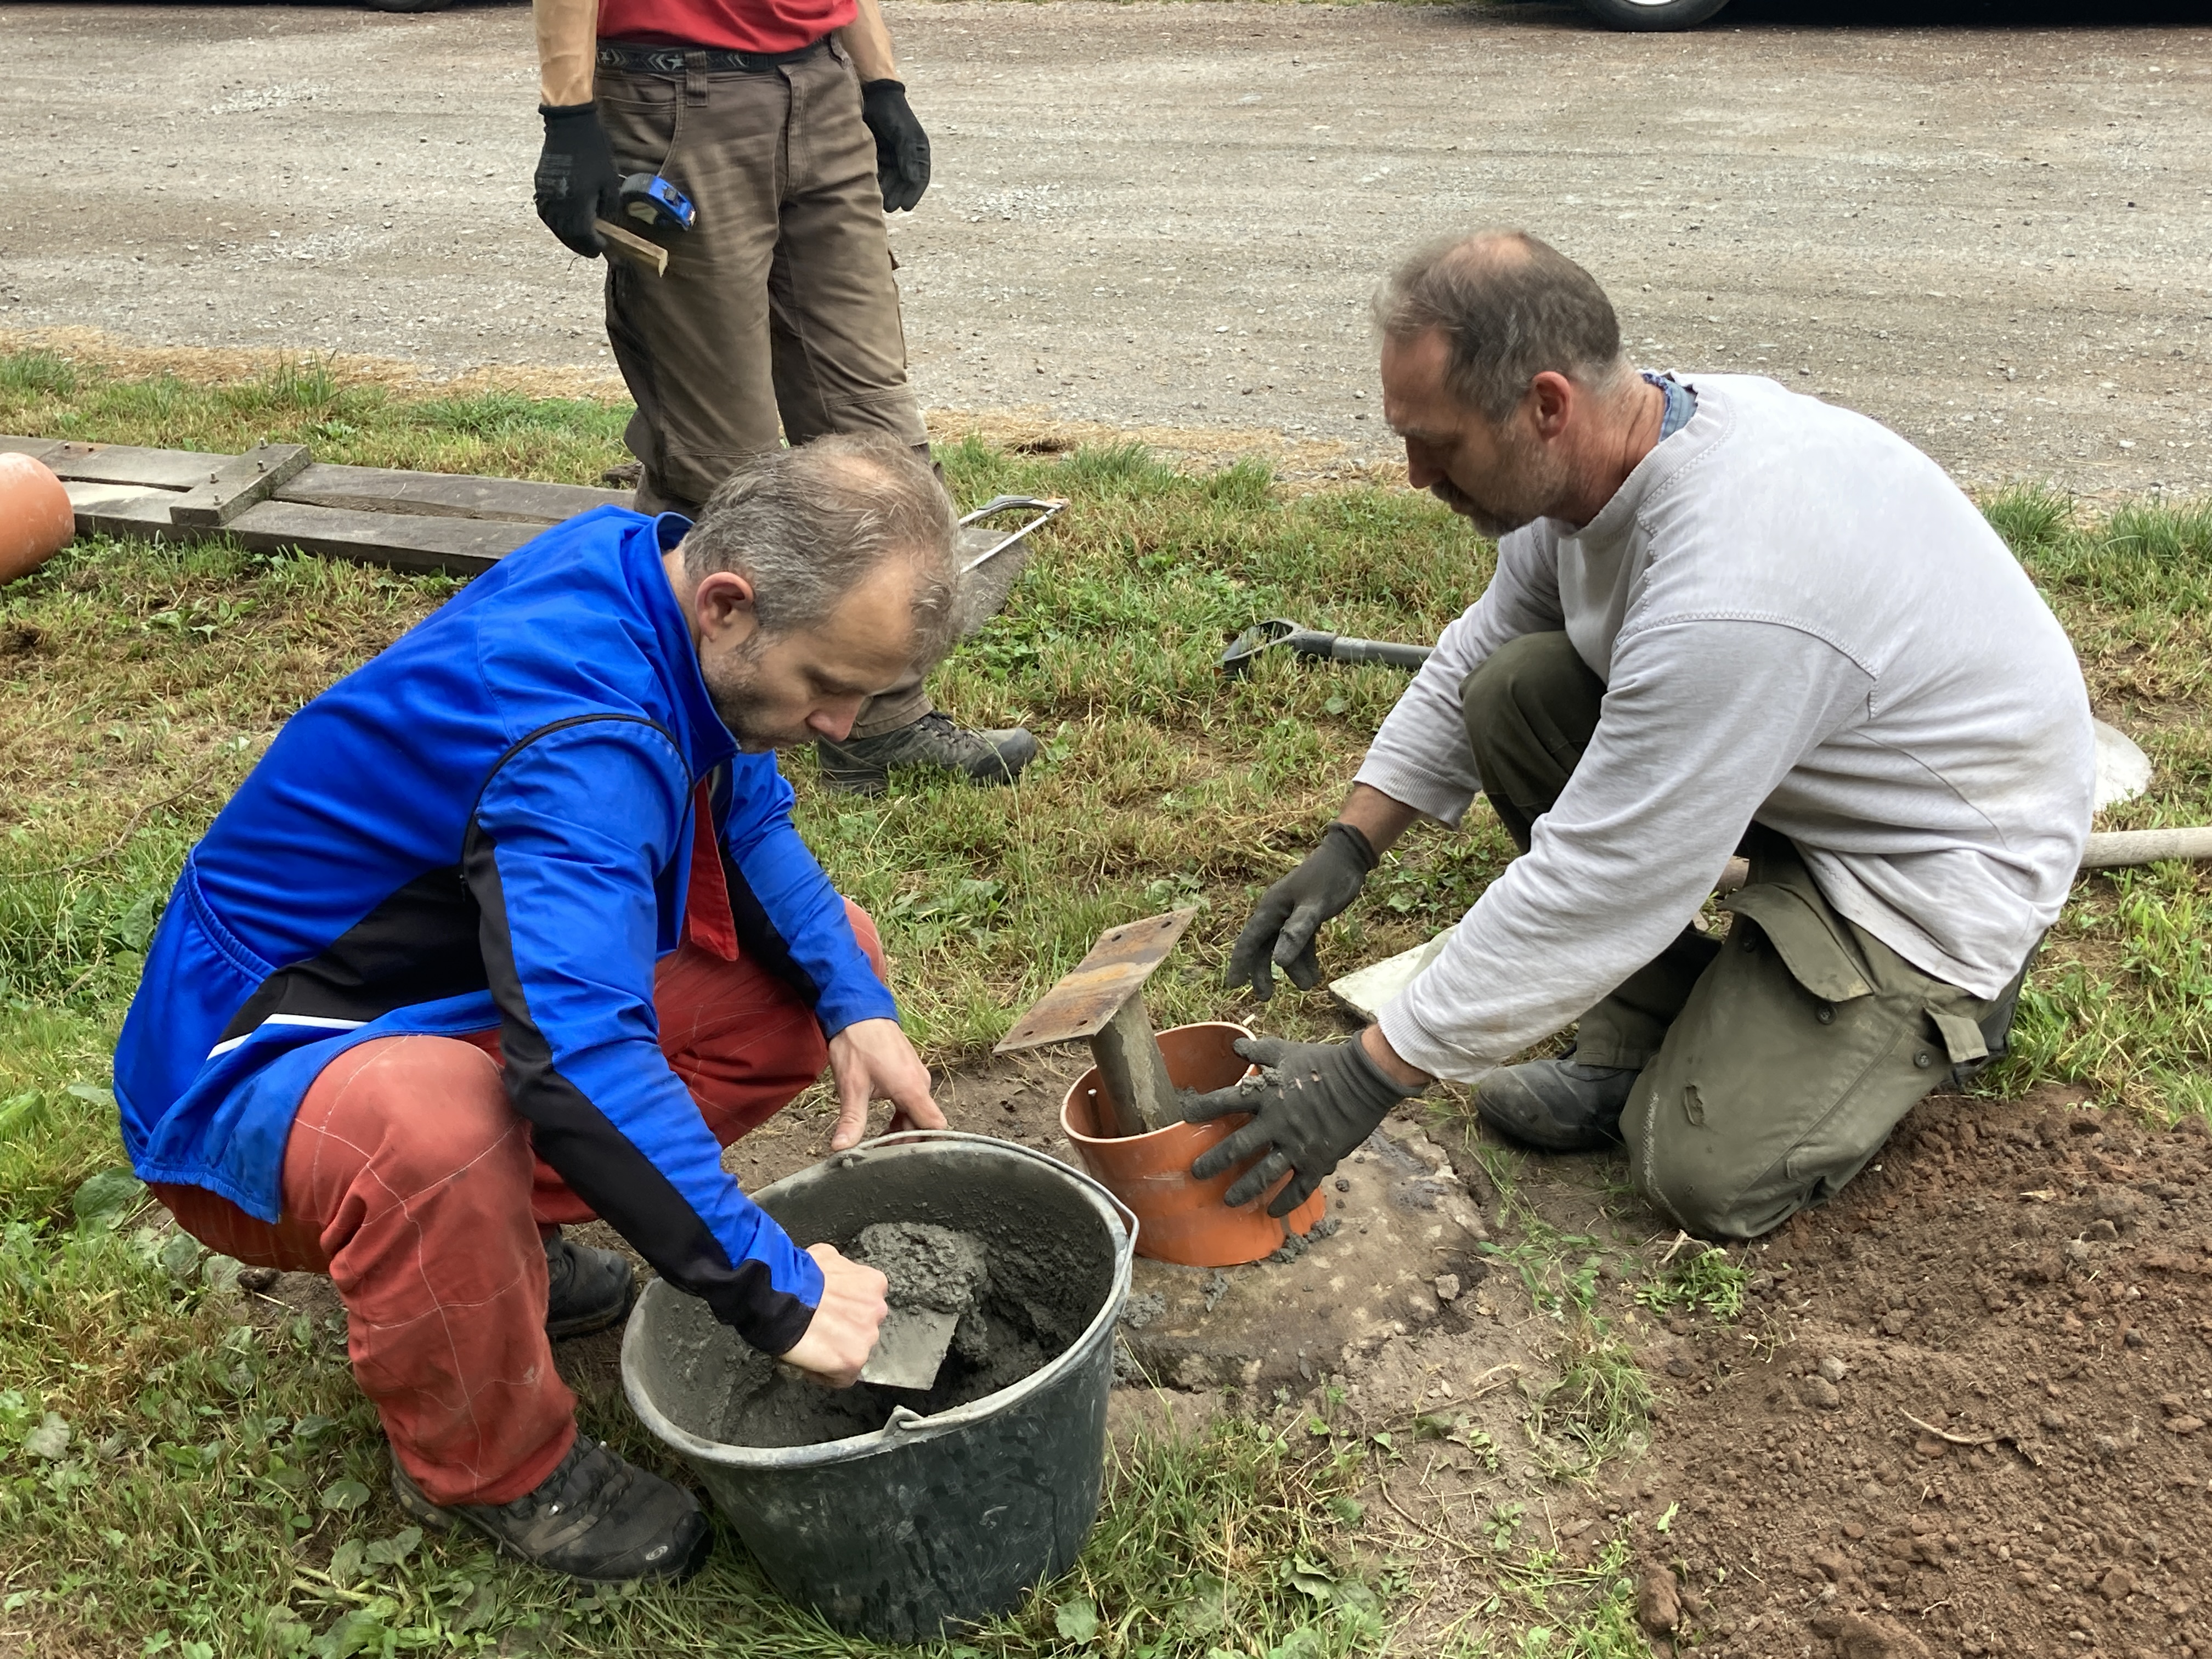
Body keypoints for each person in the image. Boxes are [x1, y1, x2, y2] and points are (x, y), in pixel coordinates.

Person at [112, 435, 962, 1583]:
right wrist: (777, 1289)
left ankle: (489, 1254)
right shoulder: (582, 737)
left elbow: (743, 819)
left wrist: (859, 1004)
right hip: (239, 1076)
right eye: (828, 685)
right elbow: (574, 1063)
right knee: (441, 1130)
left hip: (436, 997)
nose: (844, 726)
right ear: (729, 603)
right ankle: (496, 1469)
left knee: (814, 974)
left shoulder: (649, 579)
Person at [1187, 231, 2094, 1242]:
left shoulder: (1733, 590)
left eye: (1437, 443)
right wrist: (1350, 843)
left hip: (1932, 868)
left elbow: (1608, 874)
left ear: (1545, 405)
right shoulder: (1608, 454)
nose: (1412, 473)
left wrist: (1368, 1076)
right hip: (1806, 777)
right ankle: (1661, 1028)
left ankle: (1938, 1009)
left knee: (1697, 1170)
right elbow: (1478, 649)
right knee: (1517, 691)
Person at [527, 0, 1037, 795]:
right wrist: (570, 111)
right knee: (717, 462)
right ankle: (627, 717)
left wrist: (880, 82)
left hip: (821, 83)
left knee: (882, 454)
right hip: (674, 98)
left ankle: (880, 726)